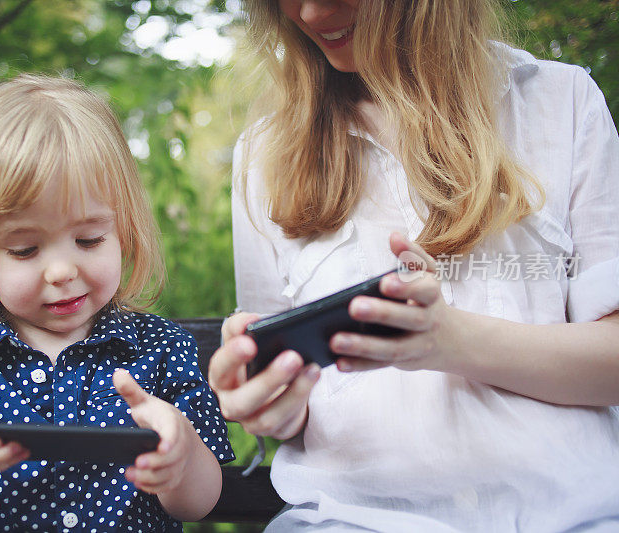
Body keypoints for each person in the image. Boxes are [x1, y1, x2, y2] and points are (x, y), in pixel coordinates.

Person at [209, 0, 619, 531]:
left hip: (572, 514)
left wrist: (451, 341)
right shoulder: (265, 154)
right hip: (350, 518)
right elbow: (290, 399)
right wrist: (275, 407)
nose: (310, 12)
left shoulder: (559, 101)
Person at [0, 74, 233, 532]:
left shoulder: (159, 349)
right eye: (24, 249)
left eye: (89, 239)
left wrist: (181, 458)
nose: (61, 271)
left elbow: (198, 503)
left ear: (124, 230)